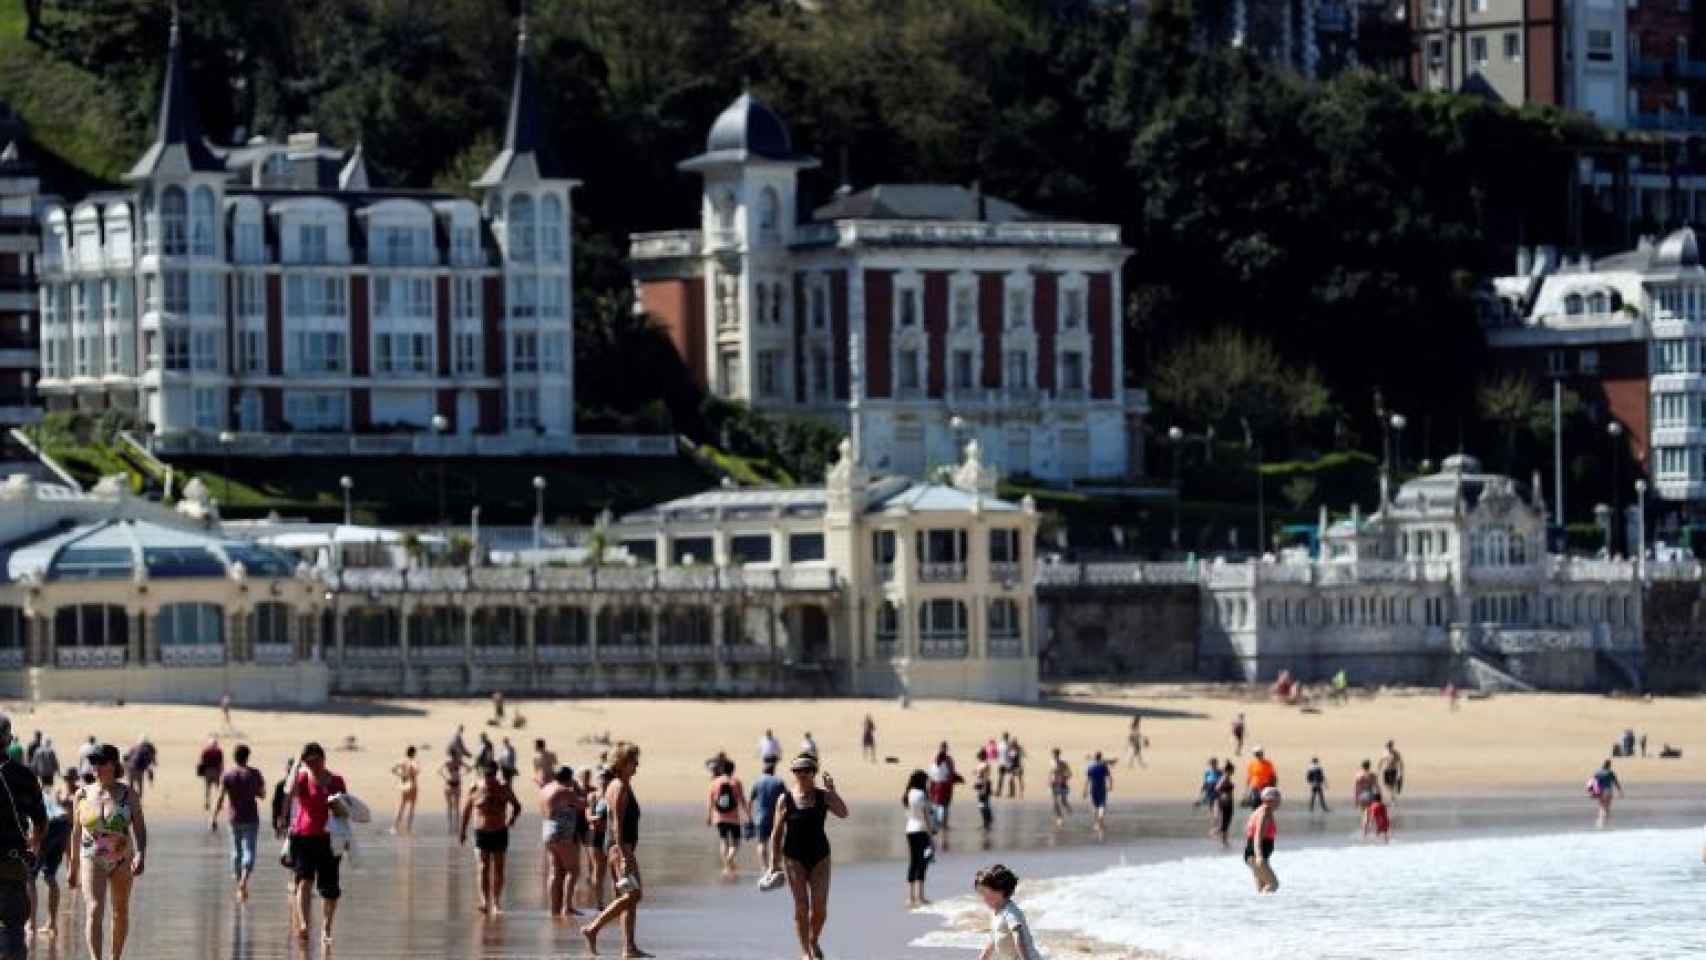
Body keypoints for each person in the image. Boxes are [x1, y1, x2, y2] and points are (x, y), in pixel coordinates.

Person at [67, 743, 145, 959]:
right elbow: (75, 832)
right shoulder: (81, 794)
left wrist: (141, 853)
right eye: (93, 762)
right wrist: (72, 867)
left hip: (122, 859)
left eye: (100, 762)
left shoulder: (128, 794)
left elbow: (139, 827)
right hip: (91, 858)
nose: (95, 767)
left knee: (120, 912)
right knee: (94, 908)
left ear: (113, 764)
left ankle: (115, 957)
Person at [770, 753, 848, 960]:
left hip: (820, 857)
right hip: (793, 858)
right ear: (793, 773)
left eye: (806, 770)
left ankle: (813, 940)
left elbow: (843, 812)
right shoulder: (784, 799)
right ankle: (805, 951)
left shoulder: (824, 796)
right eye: (797, 771)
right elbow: (776, 833)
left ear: (814, 772)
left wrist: (832, 791)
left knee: (820, 908)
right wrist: (773, 864)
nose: (802, 774)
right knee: (801, 906)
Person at [583, 744, 647, 957]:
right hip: (620, 847)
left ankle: (628, 947)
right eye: (633, 761)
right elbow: (617, 823)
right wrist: (624, 855)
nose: (637, 764)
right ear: (621, 763)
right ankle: (593, 928)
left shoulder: (619, 784)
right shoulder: (619, 786)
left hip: (618, 847)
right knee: (634, 894)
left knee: (628, 896)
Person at [286, 742, 345, 945]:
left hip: (329, 839)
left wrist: (336, 806)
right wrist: (297, 764)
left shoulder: (336, 781)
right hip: (303, 837)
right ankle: (303, 923)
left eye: (315, 761)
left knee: (330, 889)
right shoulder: (302, 778)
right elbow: (289, 791)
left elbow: (344, 811)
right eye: (308, 761)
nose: (312, 765)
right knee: (304, 880)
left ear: (323, 759)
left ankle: (327, 926)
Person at [0, 714, 45, 959]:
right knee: (13, 930)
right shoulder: (23, 775)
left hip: (11, 863)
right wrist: (33, 849)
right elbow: (41, 821)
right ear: (8, 739)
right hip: (11, 863)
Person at [460, 760, 522, 914]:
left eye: (492, 775)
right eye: (487, 775)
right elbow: (466, 810)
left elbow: (517, 805)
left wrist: (512, 819)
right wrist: (462, 831)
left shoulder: (504, 788)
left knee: (499, 868)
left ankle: (496, 902)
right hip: (481, 832)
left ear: (496, 773)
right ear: (483, 774)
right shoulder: (475, 788)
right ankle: (484, 900)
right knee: (483, 867)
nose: (490, 778)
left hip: (499, 831)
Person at [210, 743, 265, 902]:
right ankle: (244, 880)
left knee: (236, 851)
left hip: (234, 818)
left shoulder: (228, 775)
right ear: (248, 757)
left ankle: (239, 884)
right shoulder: (254, 774)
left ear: (234, 757)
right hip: (251, 818)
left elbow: (220, 797)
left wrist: (213, 817)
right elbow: (261, 794)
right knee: (249, 850)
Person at [31, 770, 76, 940]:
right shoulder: (47, 792)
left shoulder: (27, 793)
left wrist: (34, 842)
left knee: (30, 876)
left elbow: (35, 820)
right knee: (49, 876)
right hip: (63, 825)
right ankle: (52, 923)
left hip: (49, 825)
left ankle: (31, 924)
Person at [539, 764, 584, 918]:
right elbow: (581, 804)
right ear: (568, 778)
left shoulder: (545, 789)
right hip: (561, 831)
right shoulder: (564, 791)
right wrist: (580, 791)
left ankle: (554, 908)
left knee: (555, 870)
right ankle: (567, 906)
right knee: (573, 869)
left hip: (547, 829)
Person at [973, 864, 1039, 960]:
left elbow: (1018, 937)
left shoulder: (1011, 912)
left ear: (1000, 891)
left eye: (984, 892)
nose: (983, 898)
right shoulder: (996, 912)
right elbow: (993, 939)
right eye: (980, 893)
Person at [706, 759, 750, 878]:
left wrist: (709, 817)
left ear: (721, 770)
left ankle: (726, 865)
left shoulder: (714, 782)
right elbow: (742, 800)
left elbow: (710, 802)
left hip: (719, 817)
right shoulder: (736, 782)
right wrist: (748, 815)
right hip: (734, 817)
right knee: (736, 842)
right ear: (733, 770)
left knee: (723, 840)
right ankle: (730, 859)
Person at [903, 770, 935, 908]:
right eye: (927, 781)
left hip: (910, 829)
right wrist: (931, 834)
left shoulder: (909, 793)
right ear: (922, 781)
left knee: (913, 862)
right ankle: (920, 896)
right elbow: (925, 816)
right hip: (921, 830)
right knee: (922, 863)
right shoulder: (922, 795)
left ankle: (910, 897)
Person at [584, 767, 613, 910]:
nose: (603, 781)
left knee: (612, 868)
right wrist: (599, 818)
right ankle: (599, 903)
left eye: (606, 778)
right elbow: (588, 816)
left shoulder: (613, 795)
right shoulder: (593, 796)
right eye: (601, 778)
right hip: (595, 835)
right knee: (598, 868)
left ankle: (616, 900)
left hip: (609, 834)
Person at [749, 759, 786, 875]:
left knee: (761, 843)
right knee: (776, 842)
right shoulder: (778, 782)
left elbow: (750, 801)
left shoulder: (757, 782)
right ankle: (775, 865)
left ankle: (764, 867)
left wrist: (749, 817)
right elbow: (786, 799)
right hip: (776, 817)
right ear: (773, 770)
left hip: (760, 817)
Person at [1244, 787, 1280, 894]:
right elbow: (1257, 836)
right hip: (1256, 855)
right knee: (1273, 884)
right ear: (1268, 800)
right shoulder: (1264, 813)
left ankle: (1260, 910)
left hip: (1254, 854)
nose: (1278, 802)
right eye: (1276, 799)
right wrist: (1259, 856)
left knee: (1261, 889)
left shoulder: (1263, 811)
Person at [927, 743, 961, 852]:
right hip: (943, 785)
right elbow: (950, 772)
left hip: (938, 785)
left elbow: (932, 774)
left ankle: (940, 825)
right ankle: (943, 825)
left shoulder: (938, 760)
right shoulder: (946, 760)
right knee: (943, 806)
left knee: (938, 806)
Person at [388, 746, 420, 835]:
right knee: (412, 807)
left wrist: (401, 775)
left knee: (401, 806)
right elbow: (416, 771)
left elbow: (393, 769)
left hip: (404, 785)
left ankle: (394, 827)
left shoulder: (402, 761)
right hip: (412, 785)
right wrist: (410, 774)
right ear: (413, 753)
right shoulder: (414, 761)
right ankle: (408, 828)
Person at [439, 753, 471, 834]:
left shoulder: (459, 761)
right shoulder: (449, 761)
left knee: (456, 806)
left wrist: (461, 775)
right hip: (449, 784)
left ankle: (456, 825)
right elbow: (439, 770)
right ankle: (450, 824)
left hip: (456, 784)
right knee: (450, 805)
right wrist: (445, 777)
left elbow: (469, 768)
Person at [1084, 752, 1113, 839]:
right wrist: (1110, 786)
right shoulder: (1104, 766)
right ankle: (1100, 821)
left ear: (1094, 757)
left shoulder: (1090, 767)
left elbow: (1087, 780)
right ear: (1100, 757)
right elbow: (1109, 777)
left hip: (1093, 788)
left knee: (1094, 806)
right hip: (1102, 788)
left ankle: (1096, 823)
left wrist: (1084, 790)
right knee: (1102, 805)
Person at [1589, 759, 1623, 828]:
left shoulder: (1597, 772)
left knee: (1602, 806)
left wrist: (1592, 792)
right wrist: (1620, 791)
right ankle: (1605, 822)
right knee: (1607, 807)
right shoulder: (1610, 772)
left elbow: (1593, 783)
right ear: (1609, 765)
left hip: (1600, 791)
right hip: (1608, 791)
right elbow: (1616, 782)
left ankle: (1600, 822)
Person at [270, 758, 295, 840]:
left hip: (296, 821)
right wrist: (275, 824)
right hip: (288, 821)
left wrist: (275, 825)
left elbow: (275, 805)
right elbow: (275, 804)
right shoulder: (281, 785)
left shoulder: (304, 784)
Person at [196, 737, 224, 812]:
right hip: (216, 772)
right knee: (218, 789)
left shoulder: (205, 751)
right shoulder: (219, 751)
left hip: (208, 772)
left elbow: (202, 761)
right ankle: (218, 804)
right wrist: (222, 771)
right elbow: (221, 763)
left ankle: (207, 803)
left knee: (208, 788)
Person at [1213, 760, 1236, 847]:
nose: (1233, 772)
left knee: (1226, 821)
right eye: (1232, 770)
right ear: (1229, 770)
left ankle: (1224, 841)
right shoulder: (1225, 777)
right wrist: (1223, 794)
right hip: (1225, 802)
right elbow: (1217, 788)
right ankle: (1222, 838)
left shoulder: (1227, 777)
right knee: (1225, 821)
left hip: (1227, 801)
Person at [1048, 749, 1072, 827]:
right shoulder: (1051, 762)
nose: (1054, 756)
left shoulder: (1063, 764)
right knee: (1054, 803)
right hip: (1054, 785)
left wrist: (1064, 777)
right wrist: (1049, 780)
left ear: (1058, 755)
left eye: (1055, 755)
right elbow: (1051, 773)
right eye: (1053, 755)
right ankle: (1059, 818)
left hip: (1062, 784)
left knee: (1063, 801)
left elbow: (1070, 774)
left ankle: (1068, 808)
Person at [1377, 741, 1405, 806]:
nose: (1388, 748)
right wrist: (1379, 769)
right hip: (1386, 770)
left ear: (1392, 746)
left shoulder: (1396, 753)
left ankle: (1392, 799)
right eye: (1387, 747)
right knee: (1386, 784)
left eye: (1390, 746)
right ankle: (1392, 797)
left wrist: (1401, 771)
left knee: (1392, 785)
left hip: (1393, 770)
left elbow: (1400, 762)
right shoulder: (1385, 753)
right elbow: (1381, 760)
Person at [974, 750, 994, 833]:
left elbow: (985, 777)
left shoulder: (985, 765)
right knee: (984, 804)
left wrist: (984, 788)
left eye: (979, 756)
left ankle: (986, 823)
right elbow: (980, 774)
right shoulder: (982, 764)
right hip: (981, 784)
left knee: (982, 805)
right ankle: (987, 822)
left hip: (984, 785)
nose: (978, 758)